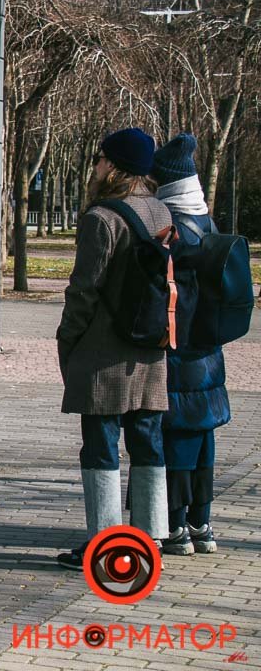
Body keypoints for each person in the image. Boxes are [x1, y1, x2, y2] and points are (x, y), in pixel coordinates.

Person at [55, 128, 170, 570]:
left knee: (100, 447)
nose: (97, 166)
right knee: (147, 441)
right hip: (151, 348)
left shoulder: (101, 218)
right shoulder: (161, 210)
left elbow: (84, 289)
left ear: (115, 167)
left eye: (101, 159)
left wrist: (68, 338)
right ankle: (150, 536)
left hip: (104, 351)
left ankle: (105, 542)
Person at [152, 134, 229, 556]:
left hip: (177, 347)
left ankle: (176, 525)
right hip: (209, 350)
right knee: (203, 438)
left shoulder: (173, 232)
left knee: (176, 437)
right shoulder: (208, 224)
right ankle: (203, 523)